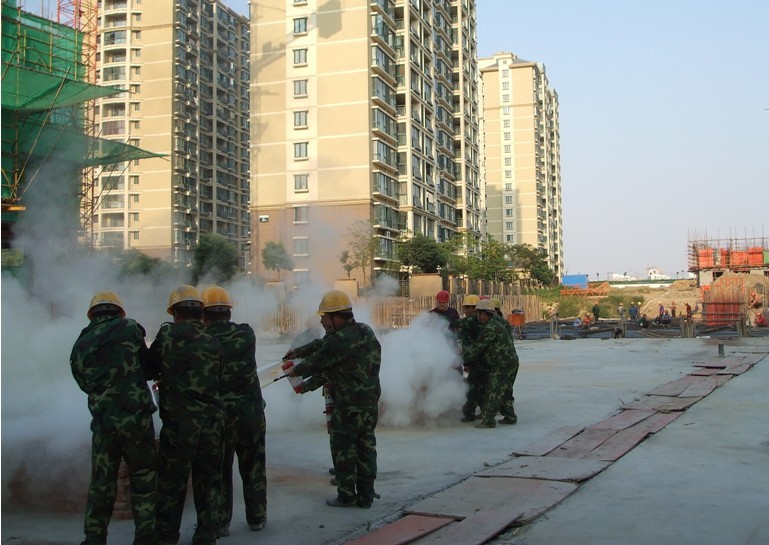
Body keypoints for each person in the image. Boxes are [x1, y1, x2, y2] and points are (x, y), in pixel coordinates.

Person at [69, 292, 158, 545]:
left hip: (104, 424)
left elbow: (84, 383)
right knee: (144, 479)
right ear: (119, 311)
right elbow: (148, 368)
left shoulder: (81, 343)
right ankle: (146, 539)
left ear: (92, 314)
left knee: (101, 484)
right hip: (137, 422)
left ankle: (94, 539)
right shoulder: (130, 328)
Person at [283, 290, 382, 509]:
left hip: (347, 405)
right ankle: (366, 495)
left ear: (338, 317)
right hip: (369, 402)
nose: (322, 321)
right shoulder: (364, 330)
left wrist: (294, 371)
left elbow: (317, 362)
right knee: (366, 447)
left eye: (325, 317)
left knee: (343, 449)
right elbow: (322, 344)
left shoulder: (338, 341)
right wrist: (299, 351)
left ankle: (346, 495)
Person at [149, 285, 224, 545]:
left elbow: (148, 368)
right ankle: (207, 535)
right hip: (212, 424)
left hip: (180, 426)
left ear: (174, 313)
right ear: (201, 312)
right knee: (209, 481)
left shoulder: (167, 335)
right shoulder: (213, 340)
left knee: (172, 483)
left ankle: (167, 536)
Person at [201, 286, 266, 536]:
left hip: (221, 416)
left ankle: (221, 522)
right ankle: (257, 517)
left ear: (204, 315)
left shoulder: (204, 340)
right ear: (229, 312)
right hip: (251, 413)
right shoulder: (246, 334)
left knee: (220, 469)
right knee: (254, 466)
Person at [462, 299, 519, 429]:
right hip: (509, 362)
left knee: (493, 390)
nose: (477, 317)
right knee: (505, 391)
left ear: (484, 314)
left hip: (502, 364)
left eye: (478, 314)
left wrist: (459, 356)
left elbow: (477, 348)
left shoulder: (491, 328)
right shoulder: (494, 324)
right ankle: (510, 417)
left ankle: (488, 420)